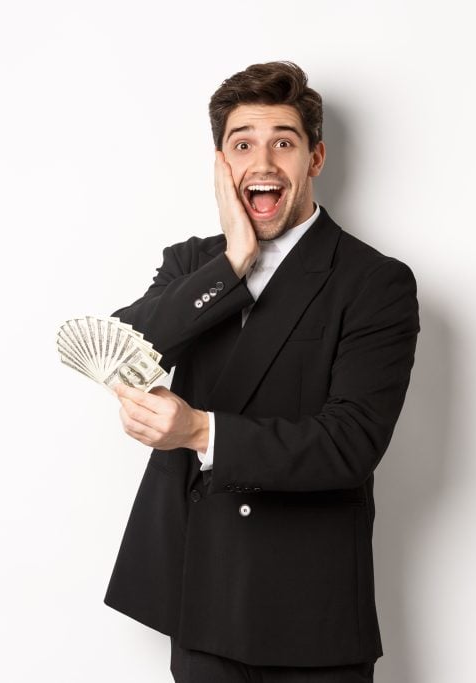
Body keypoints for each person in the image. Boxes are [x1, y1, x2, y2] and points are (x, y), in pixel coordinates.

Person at [104, 61, 420, 683]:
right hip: (203, 594)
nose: (264, 161)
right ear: (222, 164)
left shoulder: (374, 282)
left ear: (316, 158)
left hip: (310, 609)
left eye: (284, 141)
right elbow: (119, 350)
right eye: (242, 144)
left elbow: (350, 444)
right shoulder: (196, 263)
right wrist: (232, 260)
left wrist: (199, 432)